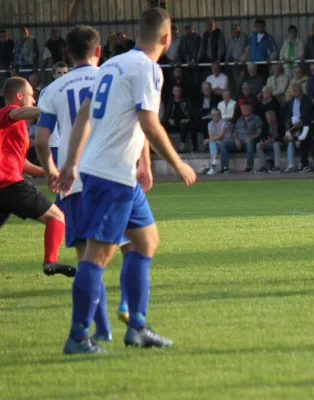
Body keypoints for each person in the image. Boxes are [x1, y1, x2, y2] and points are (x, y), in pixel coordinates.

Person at [57, 8, 196, 354]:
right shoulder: (148, 69)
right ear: (167, 38)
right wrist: (178, 163)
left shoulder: (113, 65)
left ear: (138, 32)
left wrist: (73, 163)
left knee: (146, 241)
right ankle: (78, 336)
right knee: (98, 254)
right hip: (112, 174)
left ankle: (137, 327)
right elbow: (149, 122)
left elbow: (83, 118)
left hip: (113, 172)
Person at [35, 26, 135, 343]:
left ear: (67, 53)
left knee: (85, 258)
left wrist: (50, 168)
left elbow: (40, 139)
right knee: (133, 245)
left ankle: (101, 329)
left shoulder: (52, 90)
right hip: (110, 172)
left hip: (72, 179)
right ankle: (130, 310)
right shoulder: (112, 77)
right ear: (98, 52)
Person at [0, 76, 75, 278]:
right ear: (18, 96)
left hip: (5, 185)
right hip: (9, 184)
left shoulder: (12, 127)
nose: (33, 101)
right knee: (56, 217)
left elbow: (20, 163)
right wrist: (52, 111)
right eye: (31, 96)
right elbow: (21, 111)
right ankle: (50, 262)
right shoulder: (8, 112)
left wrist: (50, 171)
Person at [205, 108, 231, 175]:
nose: (216, 116)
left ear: (220, 115)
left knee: (212, 143)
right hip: (217, 142)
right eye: (214, 115)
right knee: (212, 143)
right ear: (212, 116)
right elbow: (211, 136)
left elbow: (221, 135)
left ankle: (212, 168)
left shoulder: (223, 122)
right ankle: (213, 167)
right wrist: (212, 140)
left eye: (217, 115)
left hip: (226, 141)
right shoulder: (210, 124)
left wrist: (210, 140)